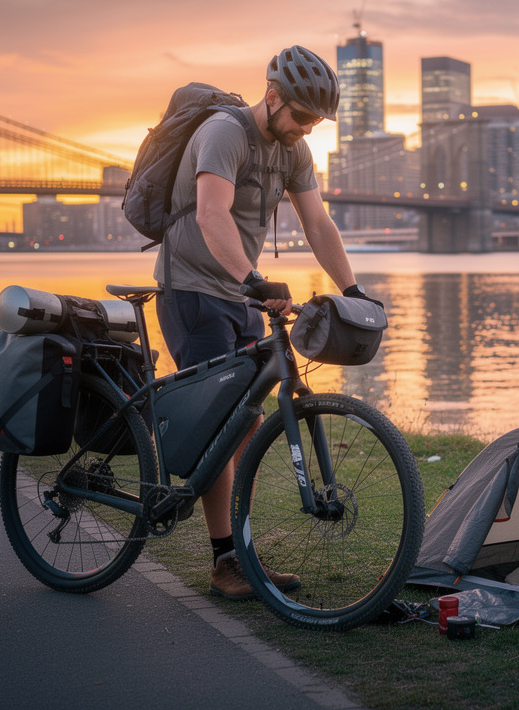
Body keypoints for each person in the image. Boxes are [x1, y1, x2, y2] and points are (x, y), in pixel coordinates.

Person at [153, 45, 375, 600]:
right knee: (216, 423)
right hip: (193, 289)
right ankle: (226, 560)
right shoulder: (225, 134)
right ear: (273, 97)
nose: (306, 129)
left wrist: (352, 290)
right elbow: (210, 213)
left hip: (242, 292)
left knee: (245, 420)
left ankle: (237, 546)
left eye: (316, 123)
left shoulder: (295, 151)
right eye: (300, 116)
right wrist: (253, 279)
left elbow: (318, 223)